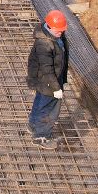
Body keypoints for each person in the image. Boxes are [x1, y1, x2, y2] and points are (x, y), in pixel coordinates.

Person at [27, 9, 70, 146]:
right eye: (58, 30)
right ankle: (41, 136)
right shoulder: (44, 44)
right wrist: (56, 88)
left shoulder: (55, 36)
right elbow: (47, 69)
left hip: (47, 80)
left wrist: (62, 79)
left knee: (41, 103)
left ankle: (34, 125)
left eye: (62, 30)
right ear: (49, 27)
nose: (61, 32)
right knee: (50, 109)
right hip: (47, 81)